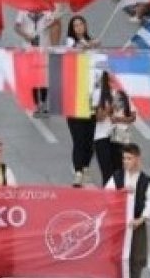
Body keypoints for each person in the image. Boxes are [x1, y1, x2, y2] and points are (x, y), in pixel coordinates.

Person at [104, 143, 150, 278]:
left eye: (129, 158)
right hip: (120, 225)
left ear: (137, 159)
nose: (125, 162)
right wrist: (119, 194)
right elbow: (107, 196)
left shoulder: (145, 181)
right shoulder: (117, 177)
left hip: (136, 225)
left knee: (136, 258)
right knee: (117, 257)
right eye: (124, 158)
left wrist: (141, 219)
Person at [65, 16, 100, 186]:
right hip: (75, 99)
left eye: (81, 24)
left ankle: (86, 167)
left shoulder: (92, 44)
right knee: (78, 138)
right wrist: (86, 46)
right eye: (75, 24)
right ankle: (78, 171)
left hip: (92, 98)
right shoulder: (70, 43)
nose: (79, 27)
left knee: (90, 138)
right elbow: (74, 50)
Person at [93, 70, 135, 185]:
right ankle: (107, 199)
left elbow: (132, 117)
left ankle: (117, 199)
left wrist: (119, 119)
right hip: (101, 136)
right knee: (107, 172)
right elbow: (98, 118)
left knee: (119, 172)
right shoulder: (99, 93)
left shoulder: (124, 92)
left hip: (120, 134)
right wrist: (109, 108)